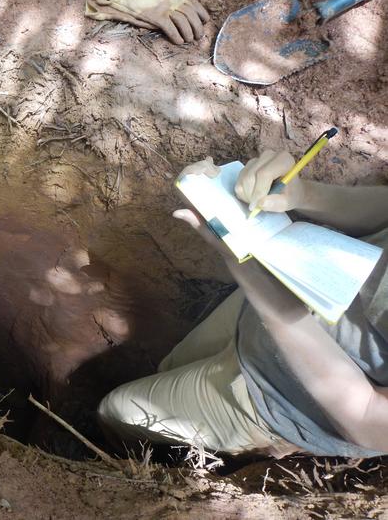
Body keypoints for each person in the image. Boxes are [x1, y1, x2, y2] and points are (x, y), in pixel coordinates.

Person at [98, 150, 388, 458]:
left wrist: (247, 269)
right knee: (170, 365)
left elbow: (368, 417)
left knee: (113, 410)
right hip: (269, 297)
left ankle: (134, 464)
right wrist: (304, 194)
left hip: (277, 395)